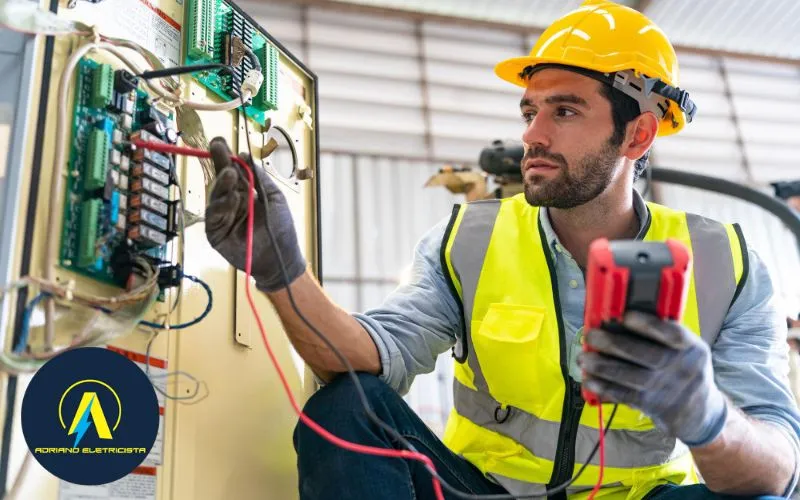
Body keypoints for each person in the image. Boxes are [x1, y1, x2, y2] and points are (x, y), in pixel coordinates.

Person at [203, 1, 800, 498]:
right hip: (480, 489)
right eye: (530, 110)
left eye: (565, 110)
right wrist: (283, 274)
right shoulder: (468, 240)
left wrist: (709, 418)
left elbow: (779, 468)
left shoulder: (724, 262)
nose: (532, 135)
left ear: (638, 133)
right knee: (345, 409)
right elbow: (365, 358)